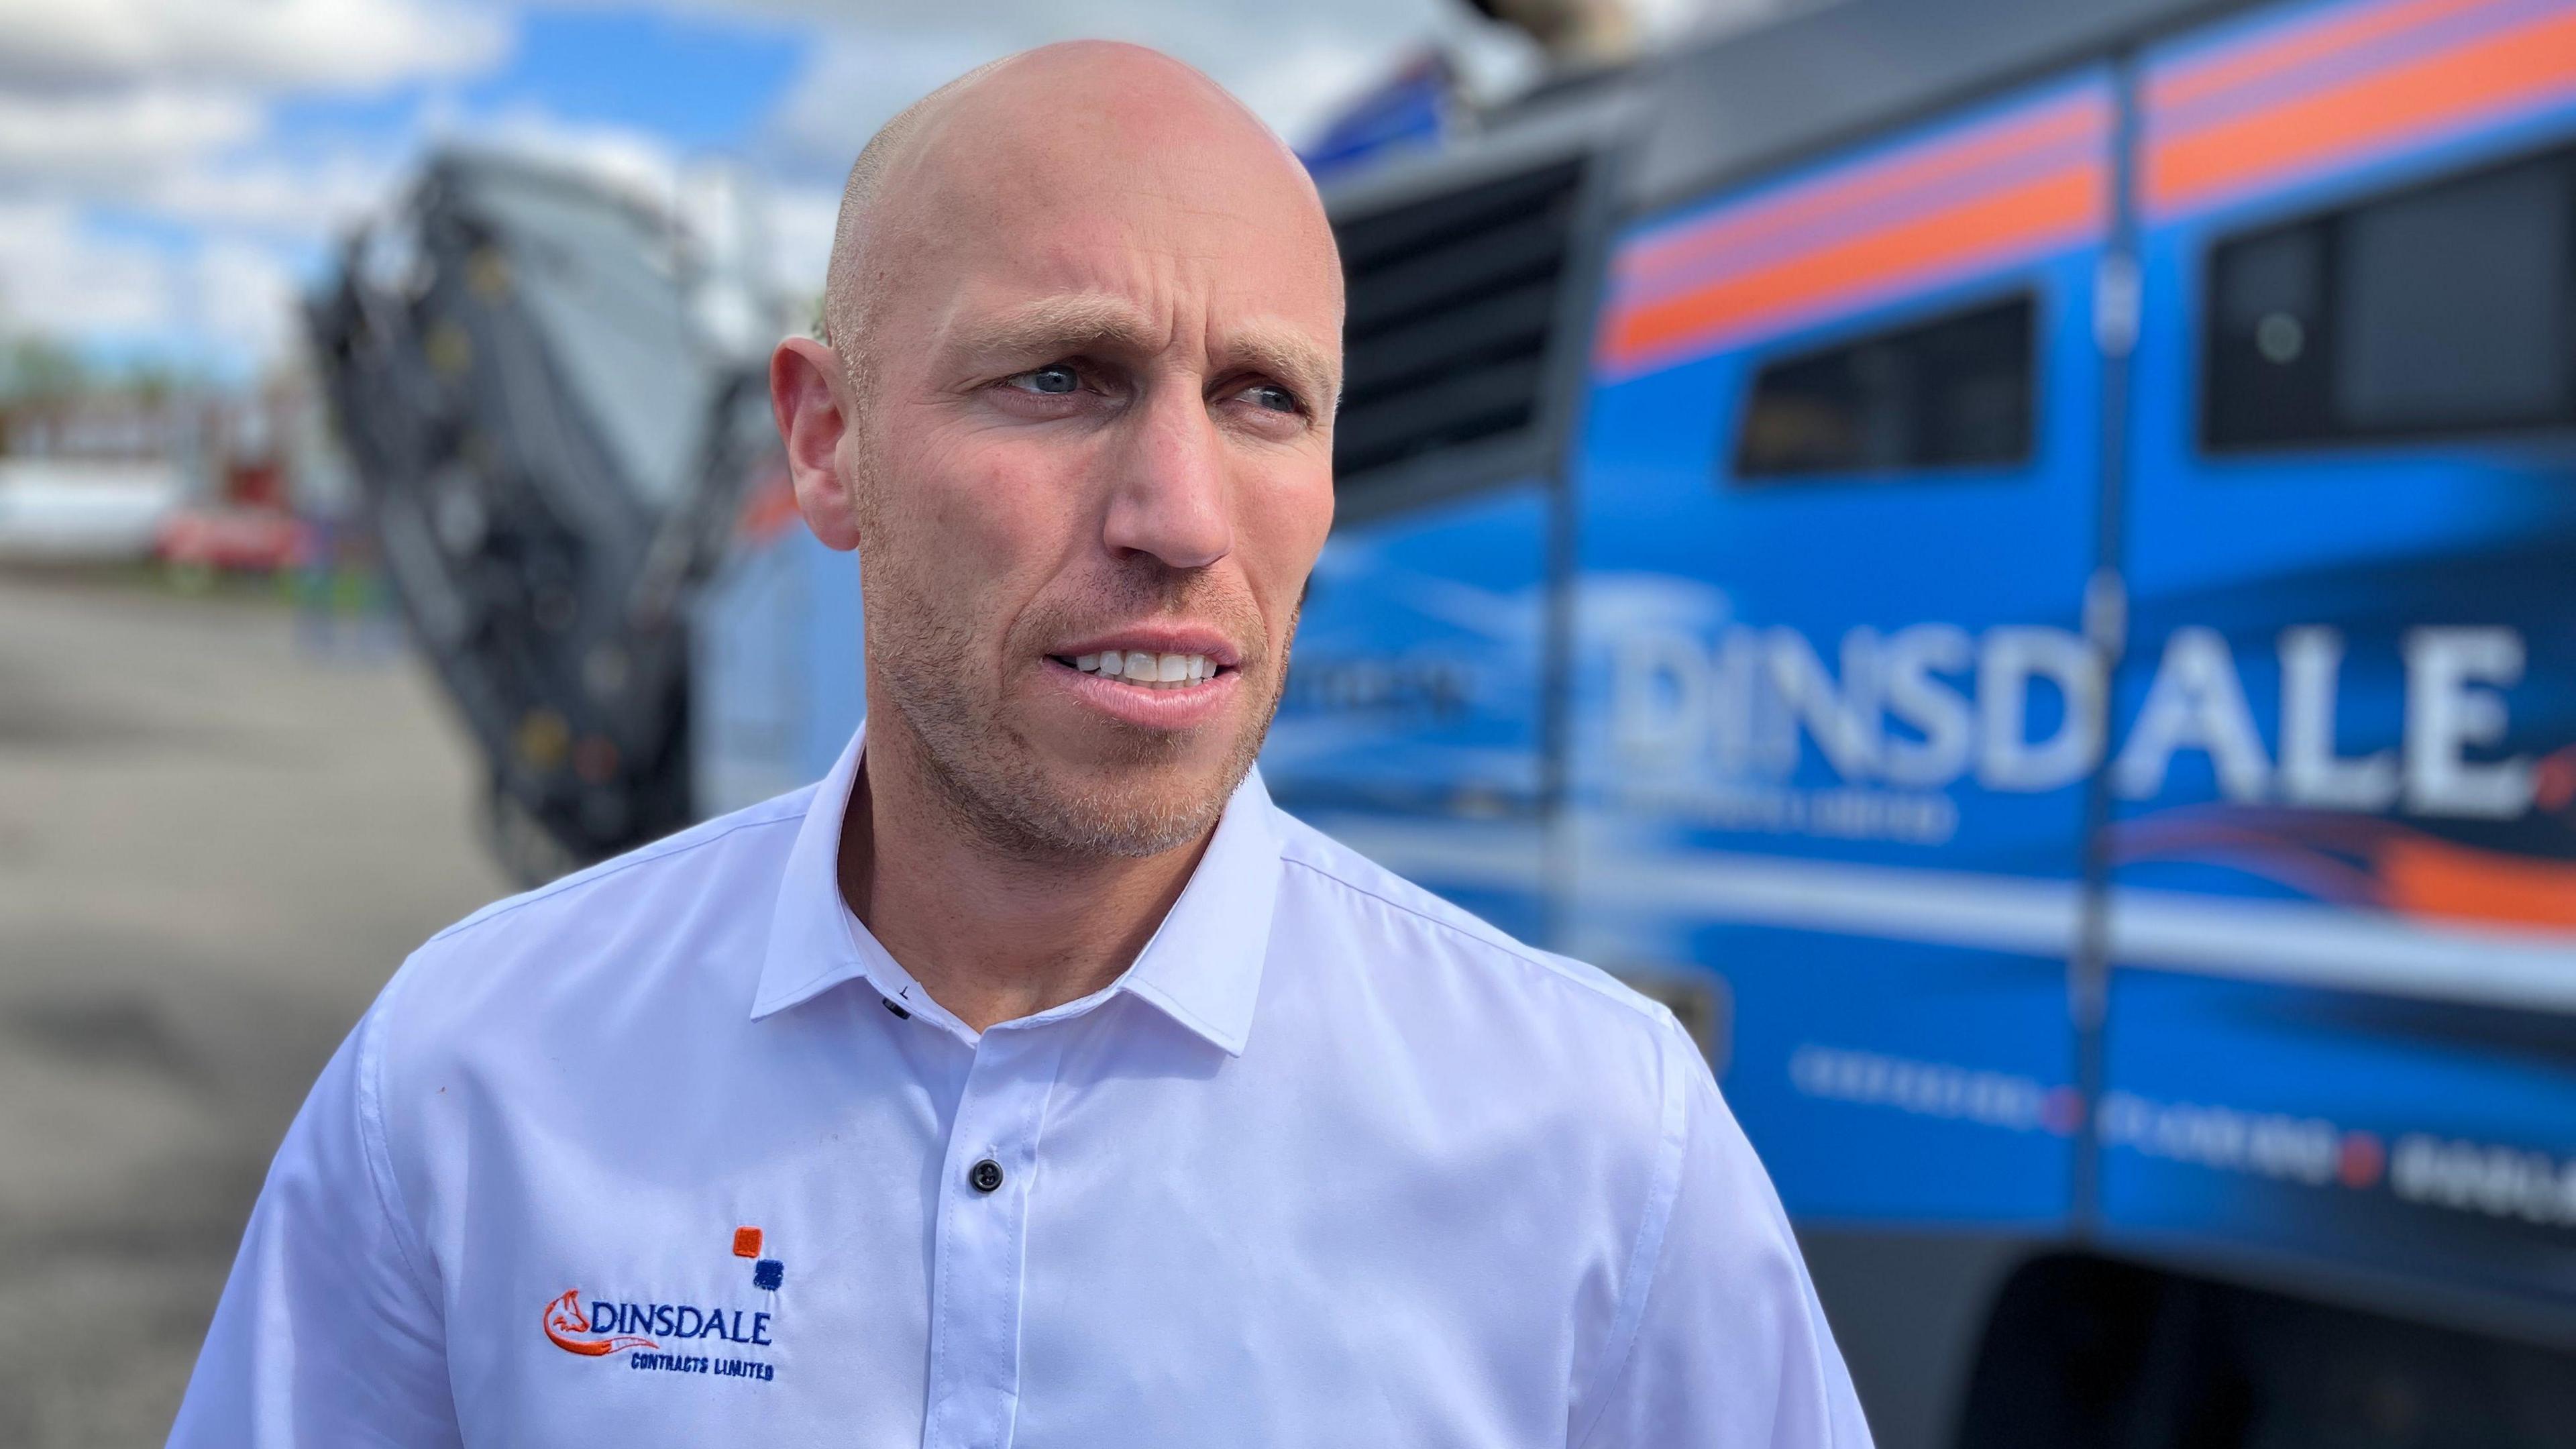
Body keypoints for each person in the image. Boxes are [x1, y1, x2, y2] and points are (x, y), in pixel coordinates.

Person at [168, 43, 1870, 1447]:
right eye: (1063, 378)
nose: (1182, 516)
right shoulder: (469, 1083)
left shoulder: (1605, 1154)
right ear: (826, 445)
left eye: (1265, 399)